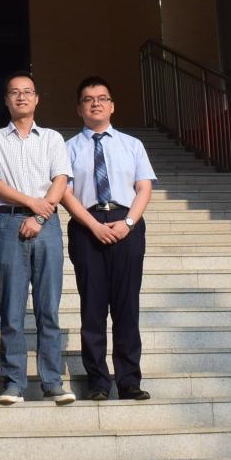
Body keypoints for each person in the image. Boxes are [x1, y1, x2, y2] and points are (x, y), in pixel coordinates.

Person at [0, 72, 74, 406]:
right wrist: (31, 203)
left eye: (27, 92)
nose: (21, 97)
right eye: (14, 92)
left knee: (48, 308)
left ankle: (52, 382)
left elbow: (60, 180)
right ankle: (14, 383)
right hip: (9, 223)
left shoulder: (52, 138)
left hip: (47, 225)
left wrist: (40, 215)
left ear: (37, 99)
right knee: (11, 308)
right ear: (6, 100)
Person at [60, 77, 156, 403]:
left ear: (112, 106)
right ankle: (98, 381)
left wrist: (128, 223)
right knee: (93, 307)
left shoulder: (132, 145)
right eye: (88, 99)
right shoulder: (68, 148)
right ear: (79, 108)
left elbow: (144, 188)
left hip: (126, 223)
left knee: (127, 306)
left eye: (102, 98)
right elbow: (65, 193)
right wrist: (92, 225)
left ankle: (129, 380)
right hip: (87, 225)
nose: (96, 104)